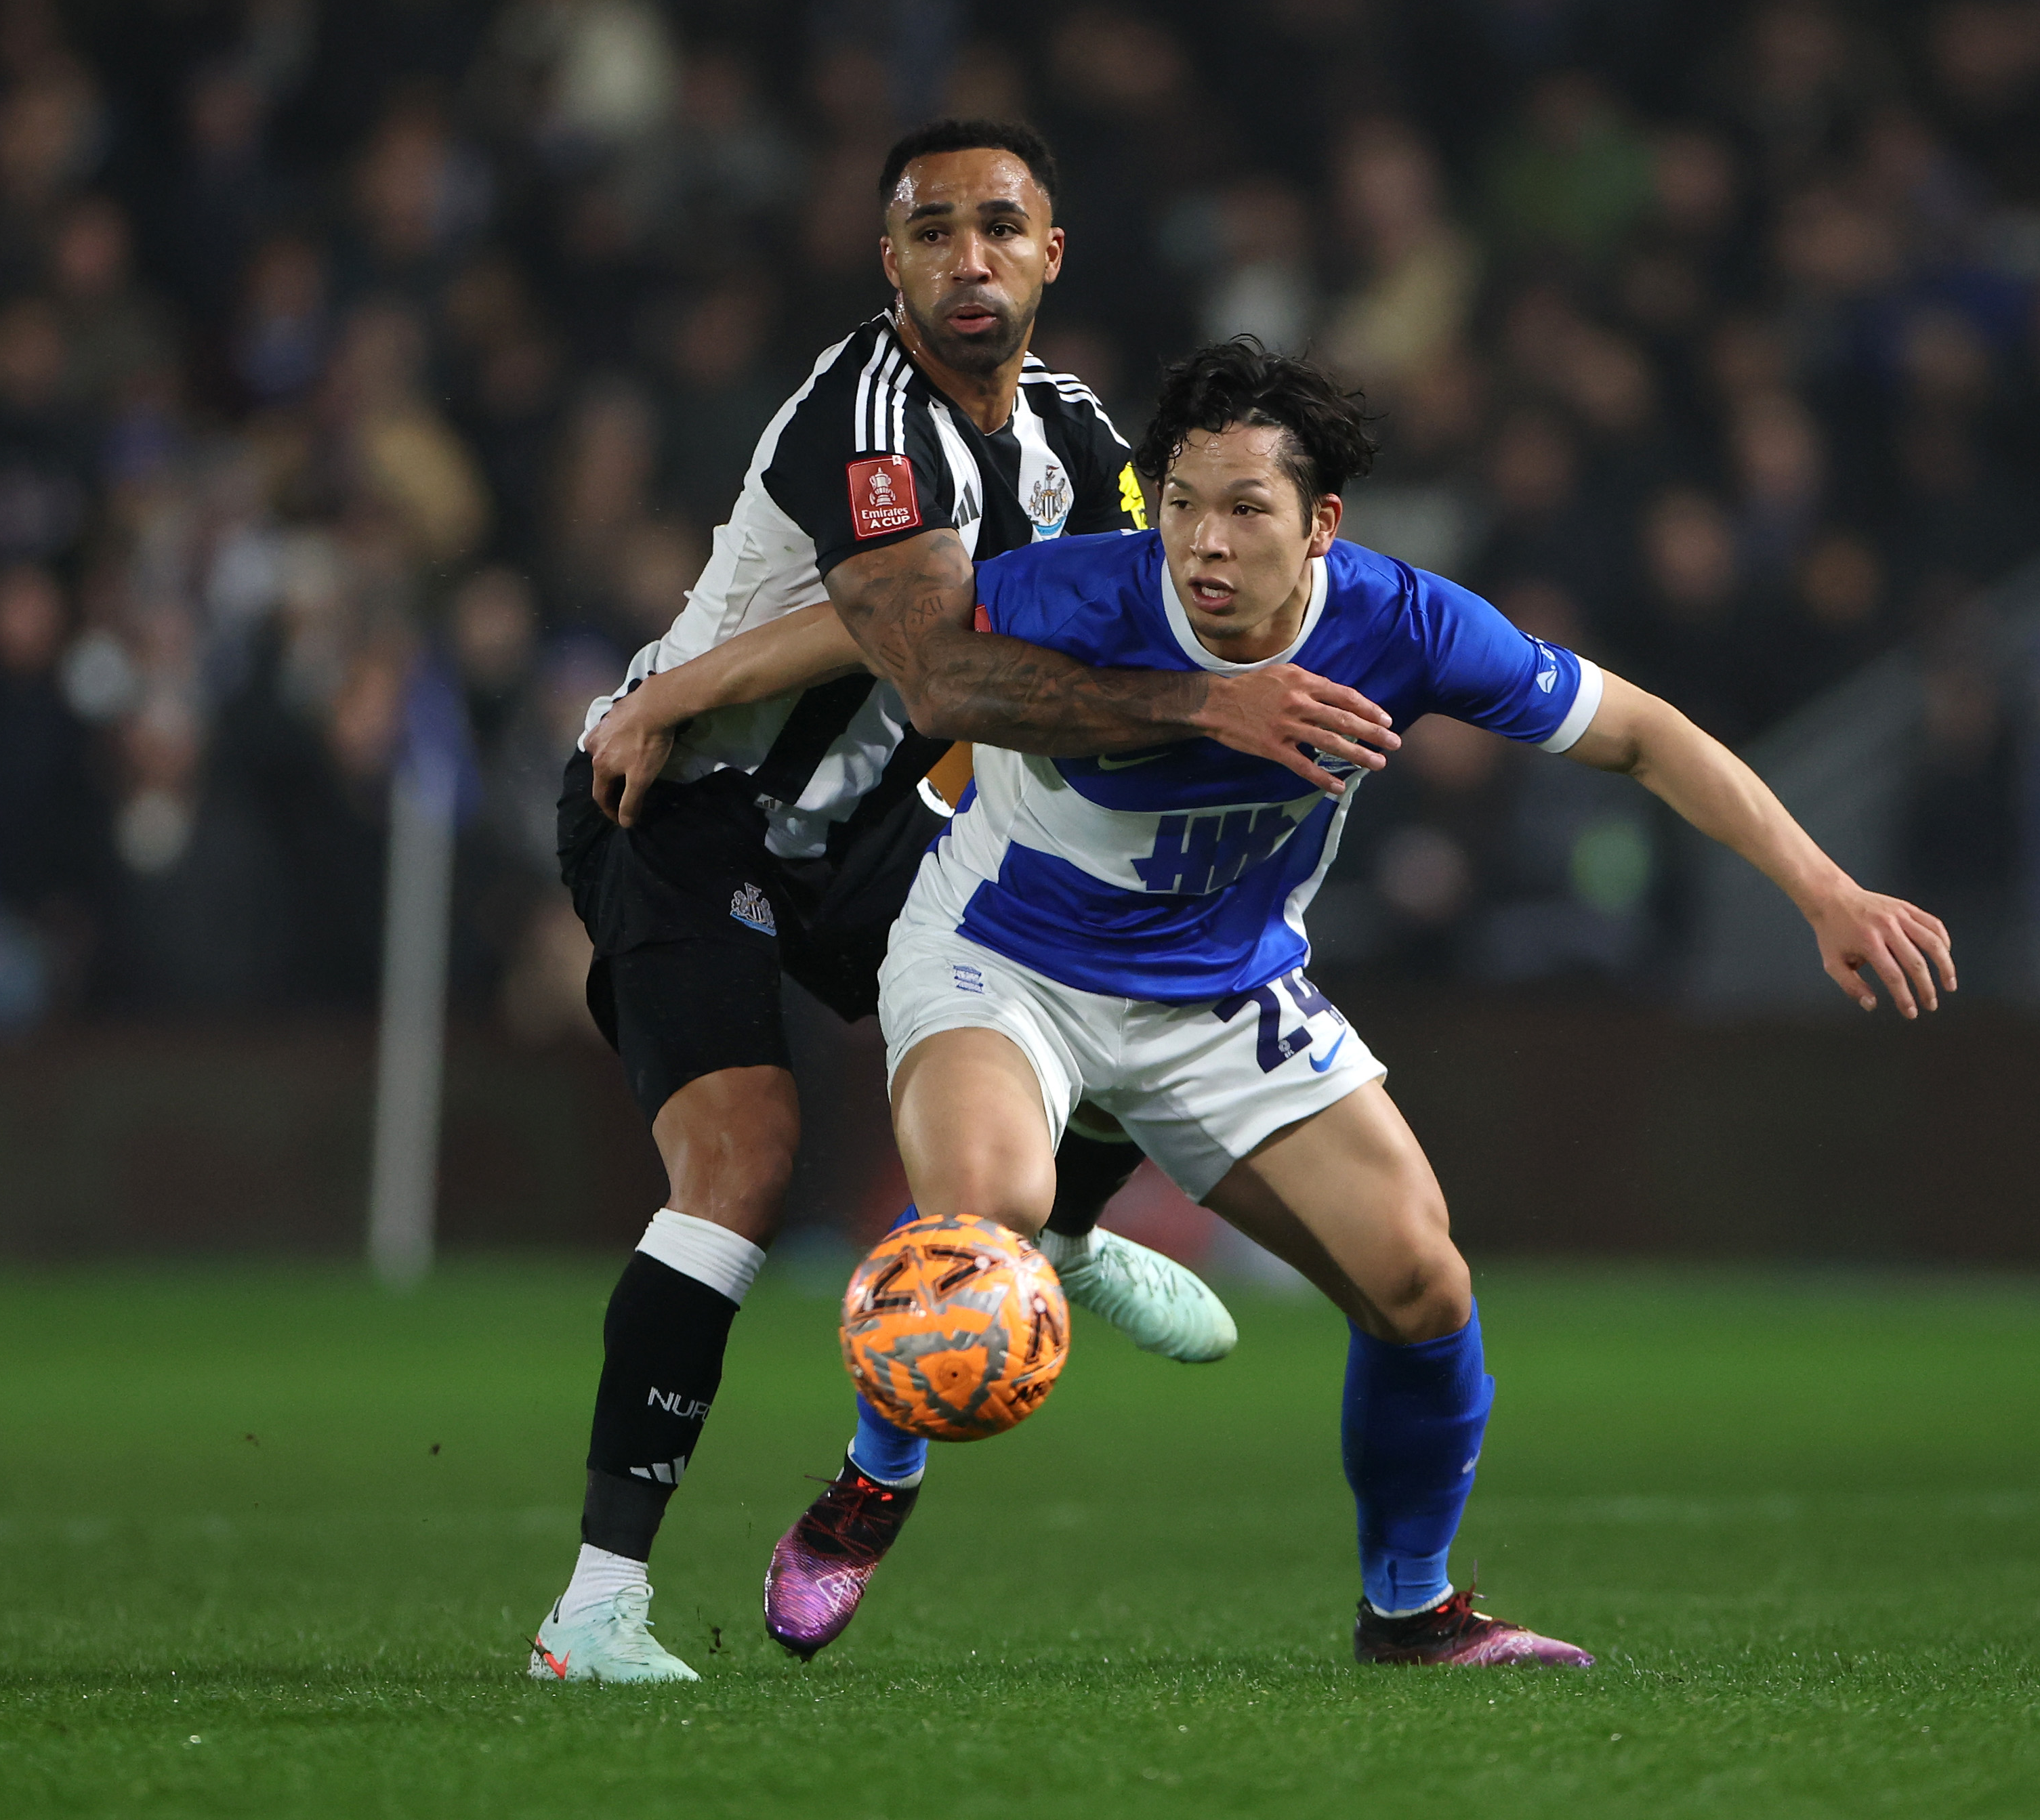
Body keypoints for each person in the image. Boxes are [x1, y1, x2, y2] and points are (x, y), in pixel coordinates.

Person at [748, 339, 1955, 1664]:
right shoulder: (1073, 590)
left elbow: (1641, 733)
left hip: (1223, 989)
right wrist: (666, 703)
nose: (1206, 540)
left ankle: (1413, 1607)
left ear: (1322, 522)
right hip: (1005, 955)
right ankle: (872, 1489)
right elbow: (878, 629)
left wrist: (1827, 889)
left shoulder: (1406, 624)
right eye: (1184, 500)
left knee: (1422, 1281)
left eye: (1248, 508)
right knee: (992, 1213)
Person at [532, 125, 1399, 1685]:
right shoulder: (865, 422)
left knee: (1127, 953)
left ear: (1051, 253)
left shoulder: (1075, 432)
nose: (968, 258)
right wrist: (683, 696)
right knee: (744, 1160)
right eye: (932, 232)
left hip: (871, 834)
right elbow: (932, 658)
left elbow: (1106, 610)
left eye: (1001, 227)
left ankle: (1052, 1231)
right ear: (892, 263)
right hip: (684, 814)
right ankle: (594, 1604)